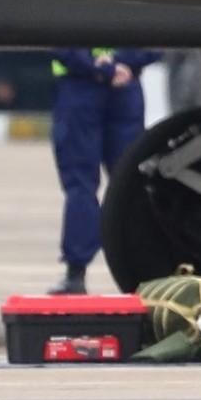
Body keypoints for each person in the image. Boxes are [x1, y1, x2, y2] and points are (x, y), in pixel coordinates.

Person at [48, 47, 161, 294]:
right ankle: (149, 272)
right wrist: (126, 63)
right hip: (125, 87)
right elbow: (160, 39)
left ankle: (76, 274)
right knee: (132, 186)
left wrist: (99, 67)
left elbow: (55, 38)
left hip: (80, 88)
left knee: (81, 185)